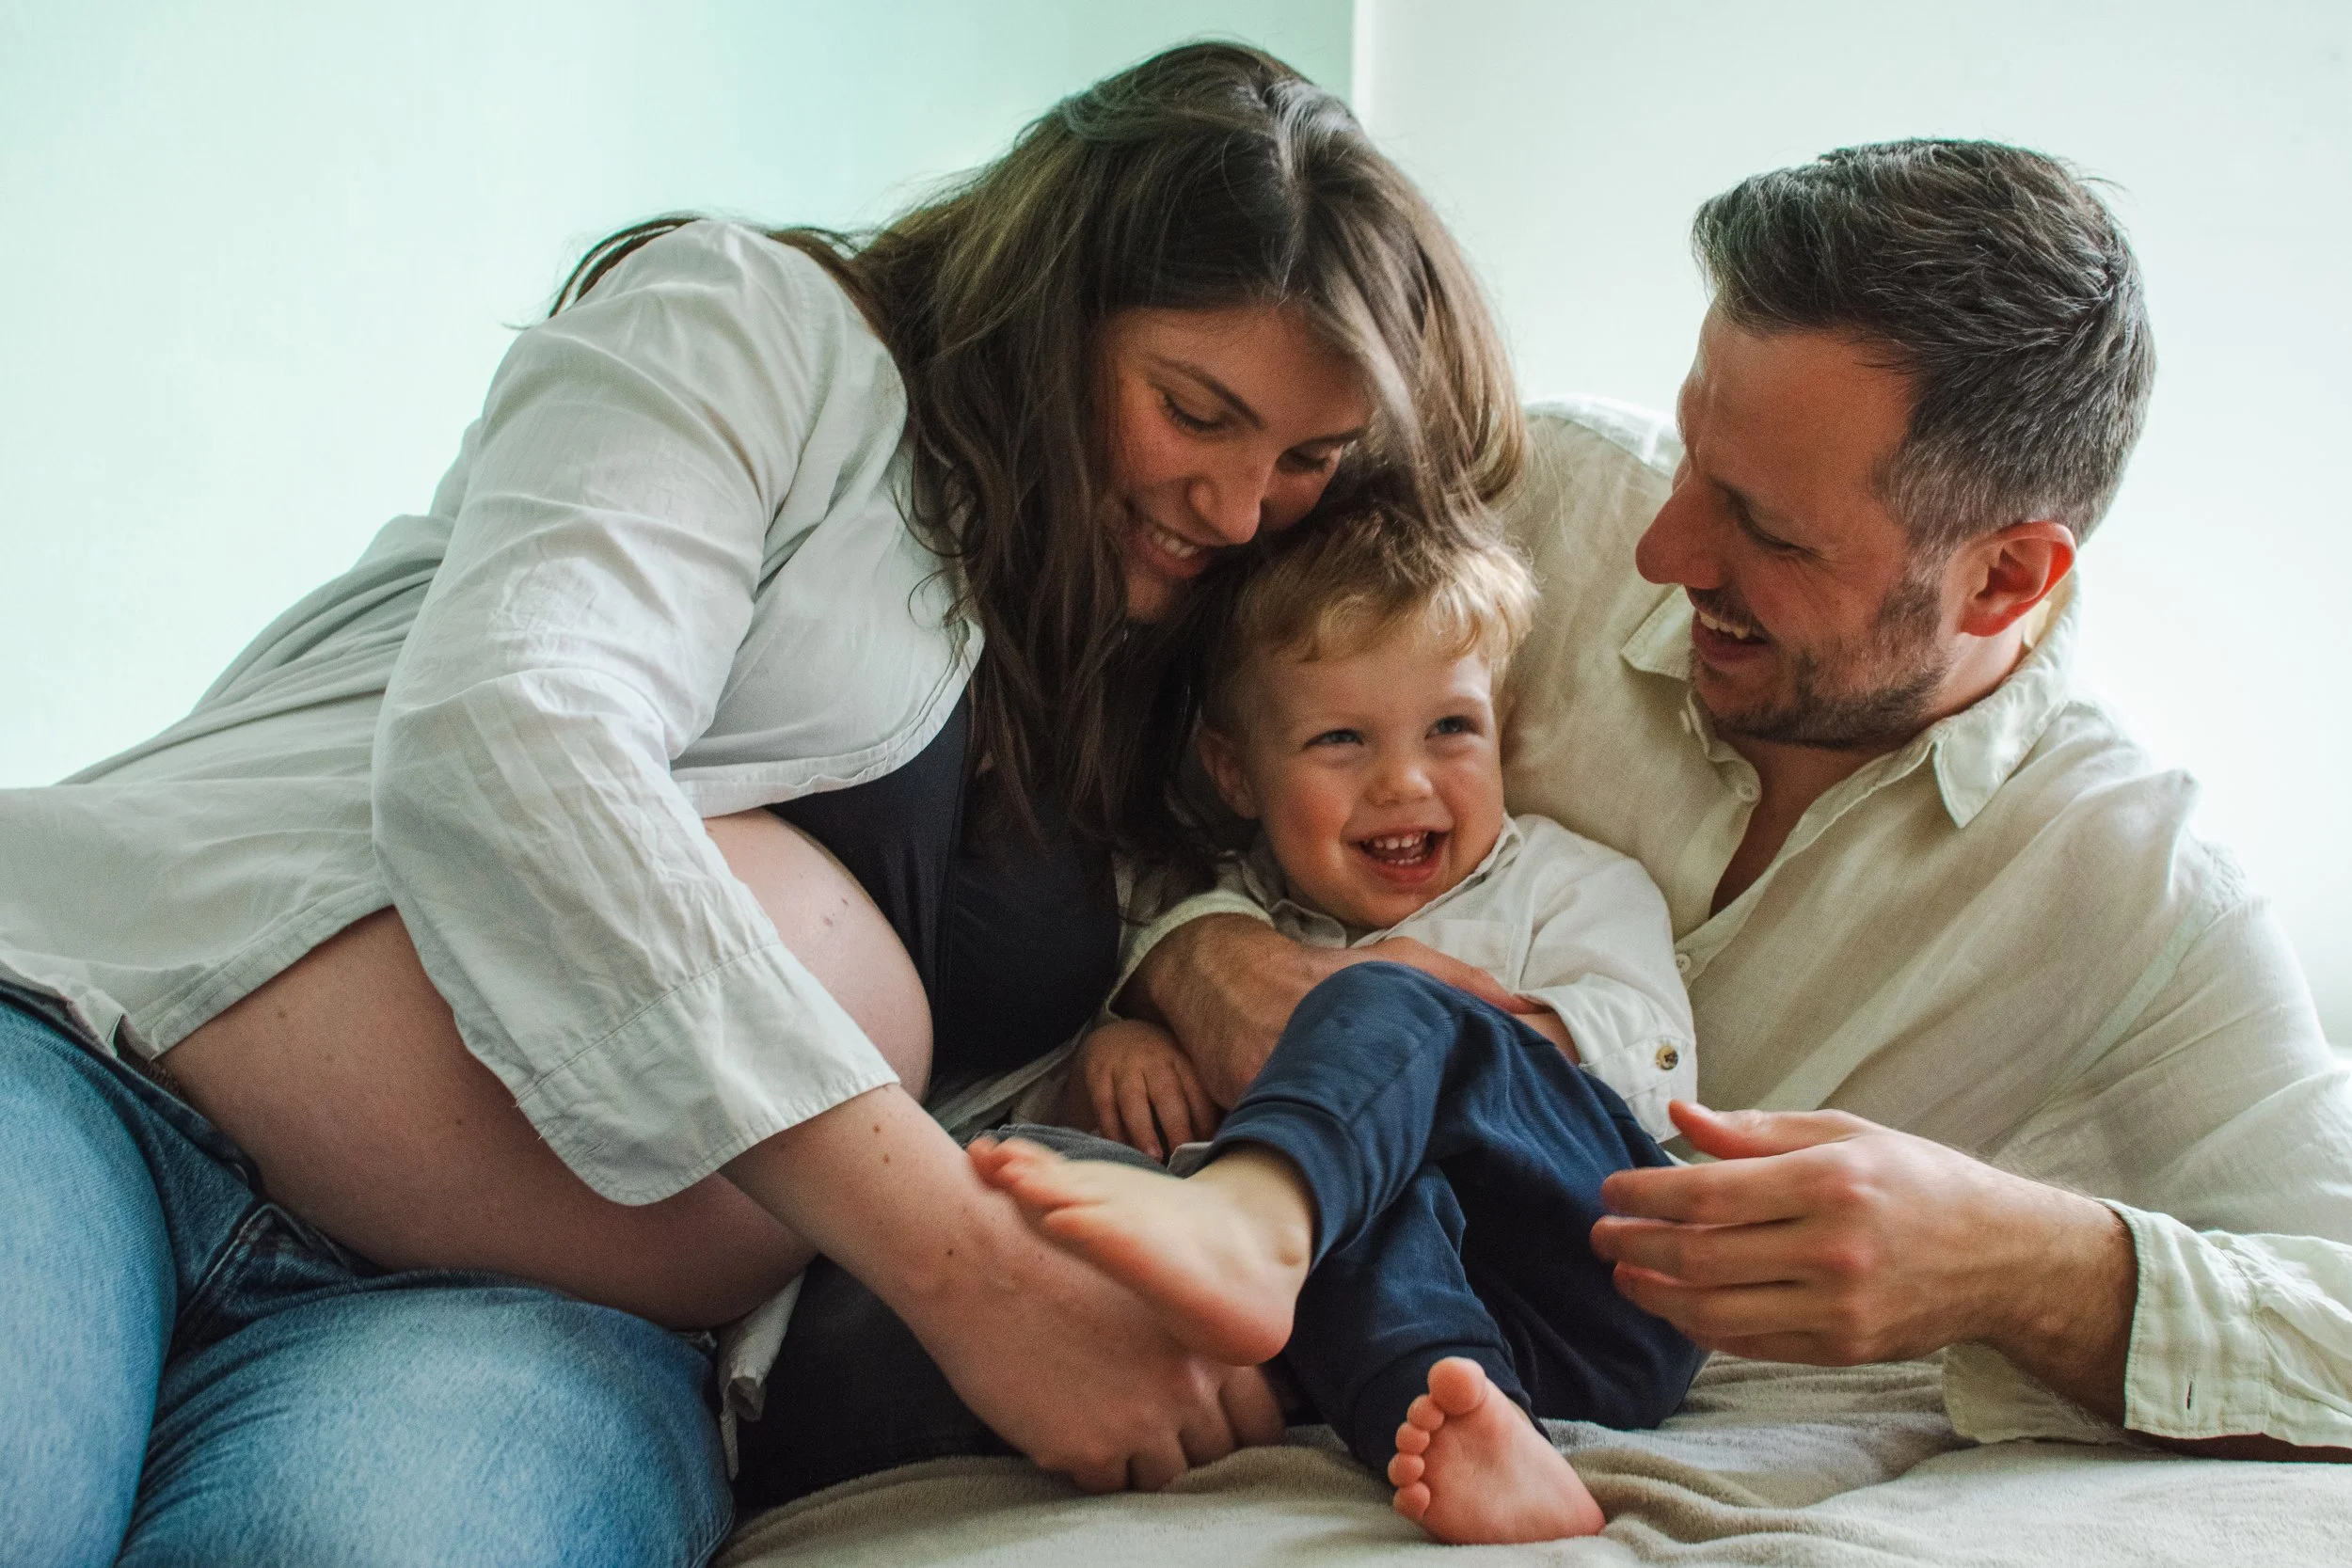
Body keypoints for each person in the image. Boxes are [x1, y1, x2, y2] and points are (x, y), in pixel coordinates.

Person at [0, 43, 1532, 1564]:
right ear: (1053, 308)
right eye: (1194, 412)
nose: (1238, 505)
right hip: (104, 1073)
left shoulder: (1175, 704)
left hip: (532, 1332)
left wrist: (1184, 966)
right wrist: (961, 1263)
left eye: (1307, 459)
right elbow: (514, 738)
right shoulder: (758, 333)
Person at [1125, 139, 2352, 1460]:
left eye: (1766, 528)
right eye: (1691, 458)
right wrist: (1191, 950)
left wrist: (2024, 1263)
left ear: (2003, 580)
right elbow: (1145, 725)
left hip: (1576, 1351)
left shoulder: (2135, 891)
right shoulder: (1525, 505)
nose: (1663, 549)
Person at [971, 510, 1706, 1545]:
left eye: (1451, 728)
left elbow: (1648, 1068)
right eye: (1339, 739)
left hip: (1593, 1294)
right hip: (1347, 1345)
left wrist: (1408, 1027)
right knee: (1034, 1175)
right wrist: (1113, 1040)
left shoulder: (1567, 884)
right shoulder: (1212, 914)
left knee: (1374, 1010)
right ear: (1233, 772)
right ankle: (1457, 1417)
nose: (1404, 780)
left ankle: (1266, 1221)